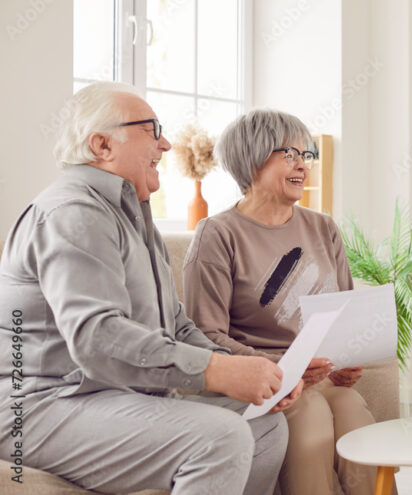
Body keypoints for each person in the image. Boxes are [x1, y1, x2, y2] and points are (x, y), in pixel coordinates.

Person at [0, 82, 298, 495]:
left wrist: (249, 371)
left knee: (264, 421)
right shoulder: (72, 213)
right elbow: (97, 340)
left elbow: (176, 325)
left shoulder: (135, 218)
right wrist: (217, 372)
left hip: (113, 394)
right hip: (42, 405)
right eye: (151, 129)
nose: (166, 143)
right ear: (102, 144)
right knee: (221, 436)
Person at [182, 109, 379, 495]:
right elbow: (203, 335)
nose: (302, 165)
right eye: (289, 154)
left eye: (306, 155)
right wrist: (281, 368)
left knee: (353, 410)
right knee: (310, 415)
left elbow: (343, 313)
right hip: (261, 383)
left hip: (317, 378)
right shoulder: (217, 235)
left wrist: (344, 360)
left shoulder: (323, 227)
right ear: (252, 158)